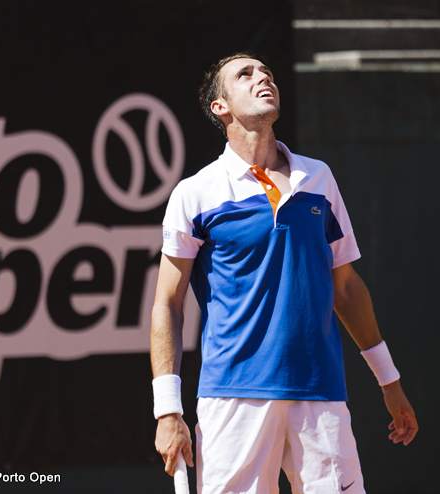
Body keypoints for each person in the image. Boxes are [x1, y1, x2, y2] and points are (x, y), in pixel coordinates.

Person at [150, 52, 418, 494]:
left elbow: (347, 288)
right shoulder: (194, 193)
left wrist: (389, 381)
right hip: (232, 399)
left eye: (267, 73)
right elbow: (167, 303)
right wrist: (168, 410)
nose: (263, 78)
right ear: (221, 107)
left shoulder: (319, 178)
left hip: (321, 395)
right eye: (245, 75)